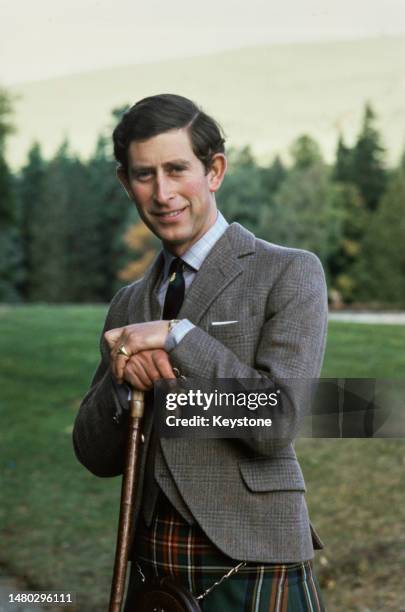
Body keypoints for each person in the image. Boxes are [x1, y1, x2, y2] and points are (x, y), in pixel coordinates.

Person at [73, 93, 328, 611]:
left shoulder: (289, 272)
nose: (163, 193)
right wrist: (124, 383)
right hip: (151, 558)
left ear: (214, 170)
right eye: (145, 175)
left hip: (253, 551)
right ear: (126, 183)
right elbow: (93, 454)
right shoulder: (128, 304)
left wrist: (179, 338)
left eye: (177, 169)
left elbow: (278, 421)